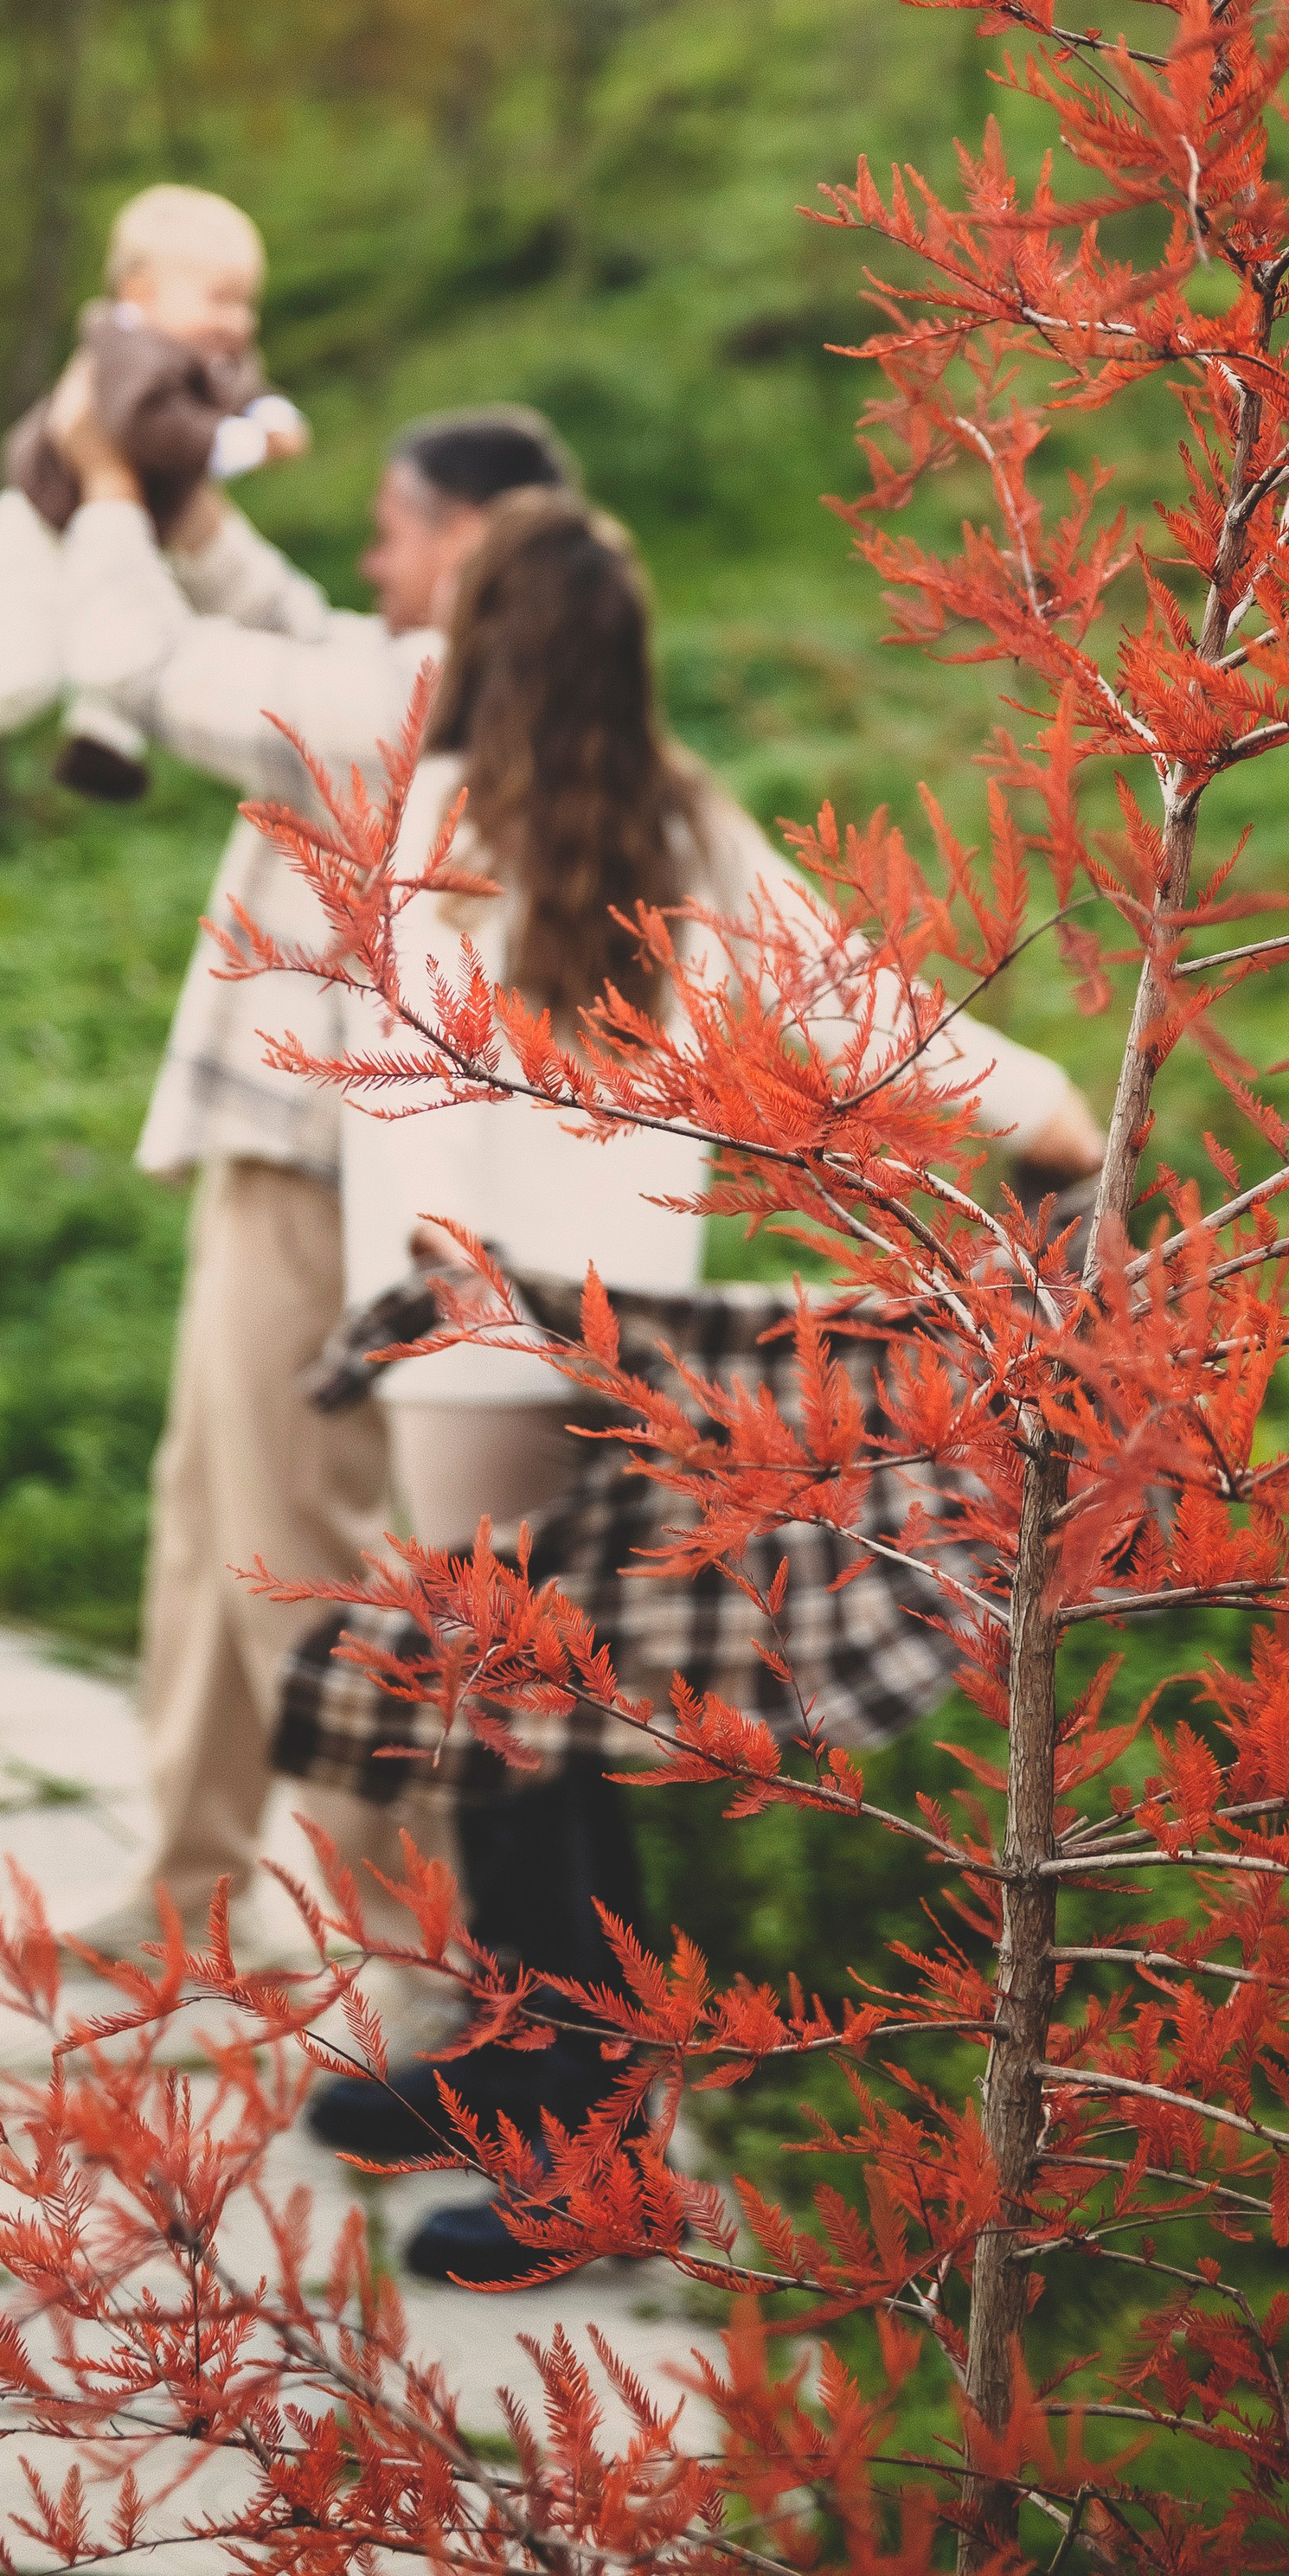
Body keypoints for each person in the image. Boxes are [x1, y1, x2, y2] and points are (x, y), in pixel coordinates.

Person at [296, 490, 1104, 2281]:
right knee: (526, 1746)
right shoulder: (672, 822)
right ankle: (519, 2074)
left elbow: (396, 1109)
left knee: (522, 1759)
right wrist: (1046, 1105)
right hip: (610, 1346)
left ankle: (587, 2169)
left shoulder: (425, 826)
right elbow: (860, 1013)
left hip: (476, 1353)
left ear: (472, 652)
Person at [45, 399, 580, 1958]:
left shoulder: (427, 697)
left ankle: (401, 1934)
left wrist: (102, 504)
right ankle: (190, 1879)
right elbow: (276, 612)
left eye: (396, 525)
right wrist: (178, 493)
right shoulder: (406, 670)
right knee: (203, 1511)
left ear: (467, 540)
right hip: (277, 1160)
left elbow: (167, 666)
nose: (372, 553)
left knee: (296, 1554)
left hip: (326, 1173)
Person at [0, 184, 308, 815]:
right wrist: (245, 443)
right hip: (40, 530)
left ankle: (102, 739)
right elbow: (141, 427)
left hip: (114, 531)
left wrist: (273, 411)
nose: (238, 321)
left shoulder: (207, 350)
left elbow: (244, 388)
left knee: (143, 620)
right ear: (140, 296)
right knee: (22, 675)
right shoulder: (127, 350)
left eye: (247, 304)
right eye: (221, 300)